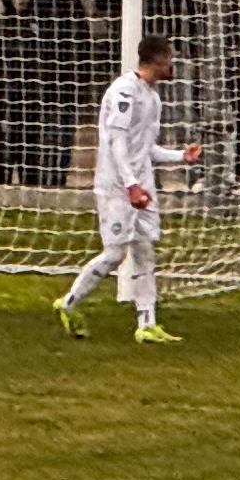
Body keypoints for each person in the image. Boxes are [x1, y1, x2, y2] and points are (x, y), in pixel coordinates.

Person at [56, 35, 199, 344]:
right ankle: (69, 302)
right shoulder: (124, 92)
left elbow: (144, 149)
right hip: (117, 187)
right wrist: (131, 186)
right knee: (115, 254)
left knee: (146, 251)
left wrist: (180, 157)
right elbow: (117, 145)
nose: (173, 66)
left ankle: (147, 323)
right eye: (170, 60)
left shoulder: (153, 97)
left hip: (142, 185)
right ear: (158, 61)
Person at [0, 0, 90, 189]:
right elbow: (8, 26)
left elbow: (84, 46)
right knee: (29, 139)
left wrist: (82, 83)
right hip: (29, 86)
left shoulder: (71, 5)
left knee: (60, 139)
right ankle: (30, 184)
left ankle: (56, 184)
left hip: (63, 85)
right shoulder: (23, 4)